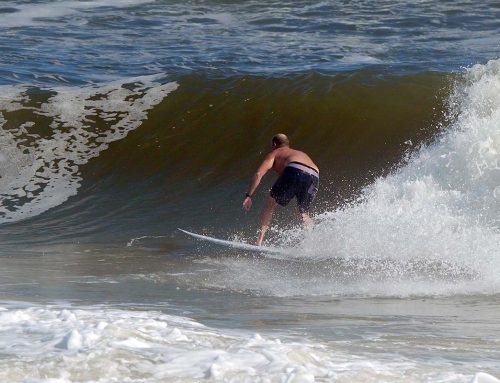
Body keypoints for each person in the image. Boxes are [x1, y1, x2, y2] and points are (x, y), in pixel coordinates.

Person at [243, 133, 319, 246]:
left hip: (295, 169)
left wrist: (248, 195)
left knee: (270, 204)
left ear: (274, 144)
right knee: (304, 212)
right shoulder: (300, 154)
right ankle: (313, 243)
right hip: (315, 175)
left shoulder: (275, 152)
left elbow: (258, 174)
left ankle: (259, 241)